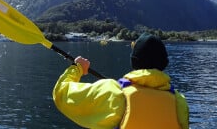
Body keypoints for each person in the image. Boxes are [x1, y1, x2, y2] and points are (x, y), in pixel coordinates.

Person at [52, 32, 189, 129]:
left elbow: (61, 93)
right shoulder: (179, 101)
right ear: (163, 64)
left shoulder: (113, 92)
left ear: (134, 61)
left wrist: (78, 69)